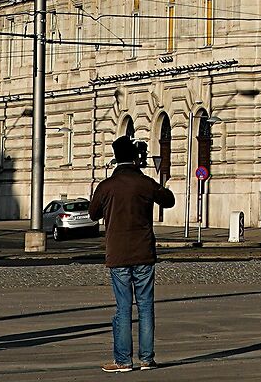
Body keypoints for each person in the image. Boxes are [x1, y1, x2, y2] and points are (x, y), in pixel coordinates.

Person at [87, 136, 174, 372]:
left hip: (118, 254)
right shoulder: (145, 183)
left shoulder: (106, 186)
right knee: (146, 306)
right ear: (135, 158)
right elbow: (169, 200)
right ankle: (147, 358)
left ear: (116, 158)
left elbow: (93, 213)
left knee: (123, 308)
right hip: (144, 251)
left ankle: (123, 360)